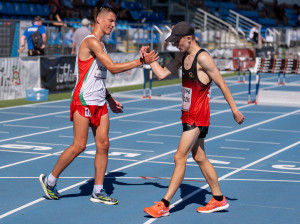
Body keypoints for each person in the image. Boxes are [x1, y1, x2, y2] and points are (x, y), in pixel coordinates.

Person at [39, 3, 158, 205]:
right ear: (99, 20)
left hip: (99, 101)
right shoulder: (91, 42)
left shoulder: (101, 45)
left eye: (115, 21)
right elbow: (111, 68)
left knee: (104, 144)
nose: (113, 25)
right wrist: (140, 61)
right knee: (79, 145)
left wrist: (109, 98)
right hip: (83, 99)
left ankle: (98, 190)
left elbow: (99, 75)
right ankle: (50, 181)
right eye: (111, 21)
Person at [141, 21, 245, 217]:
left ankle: (164, 204)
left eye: (177, 41)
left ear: (188, 38)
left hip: (198, 116)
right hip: (188, 113)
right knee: (199, 157)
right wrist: (149, 60)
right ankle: (219, 199)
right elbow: (162, 74)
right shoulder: (183, 55)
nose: (174, 45)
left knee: (179, 157)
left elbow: (221, 83)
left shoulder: (203, 58)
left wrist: (235, 110)